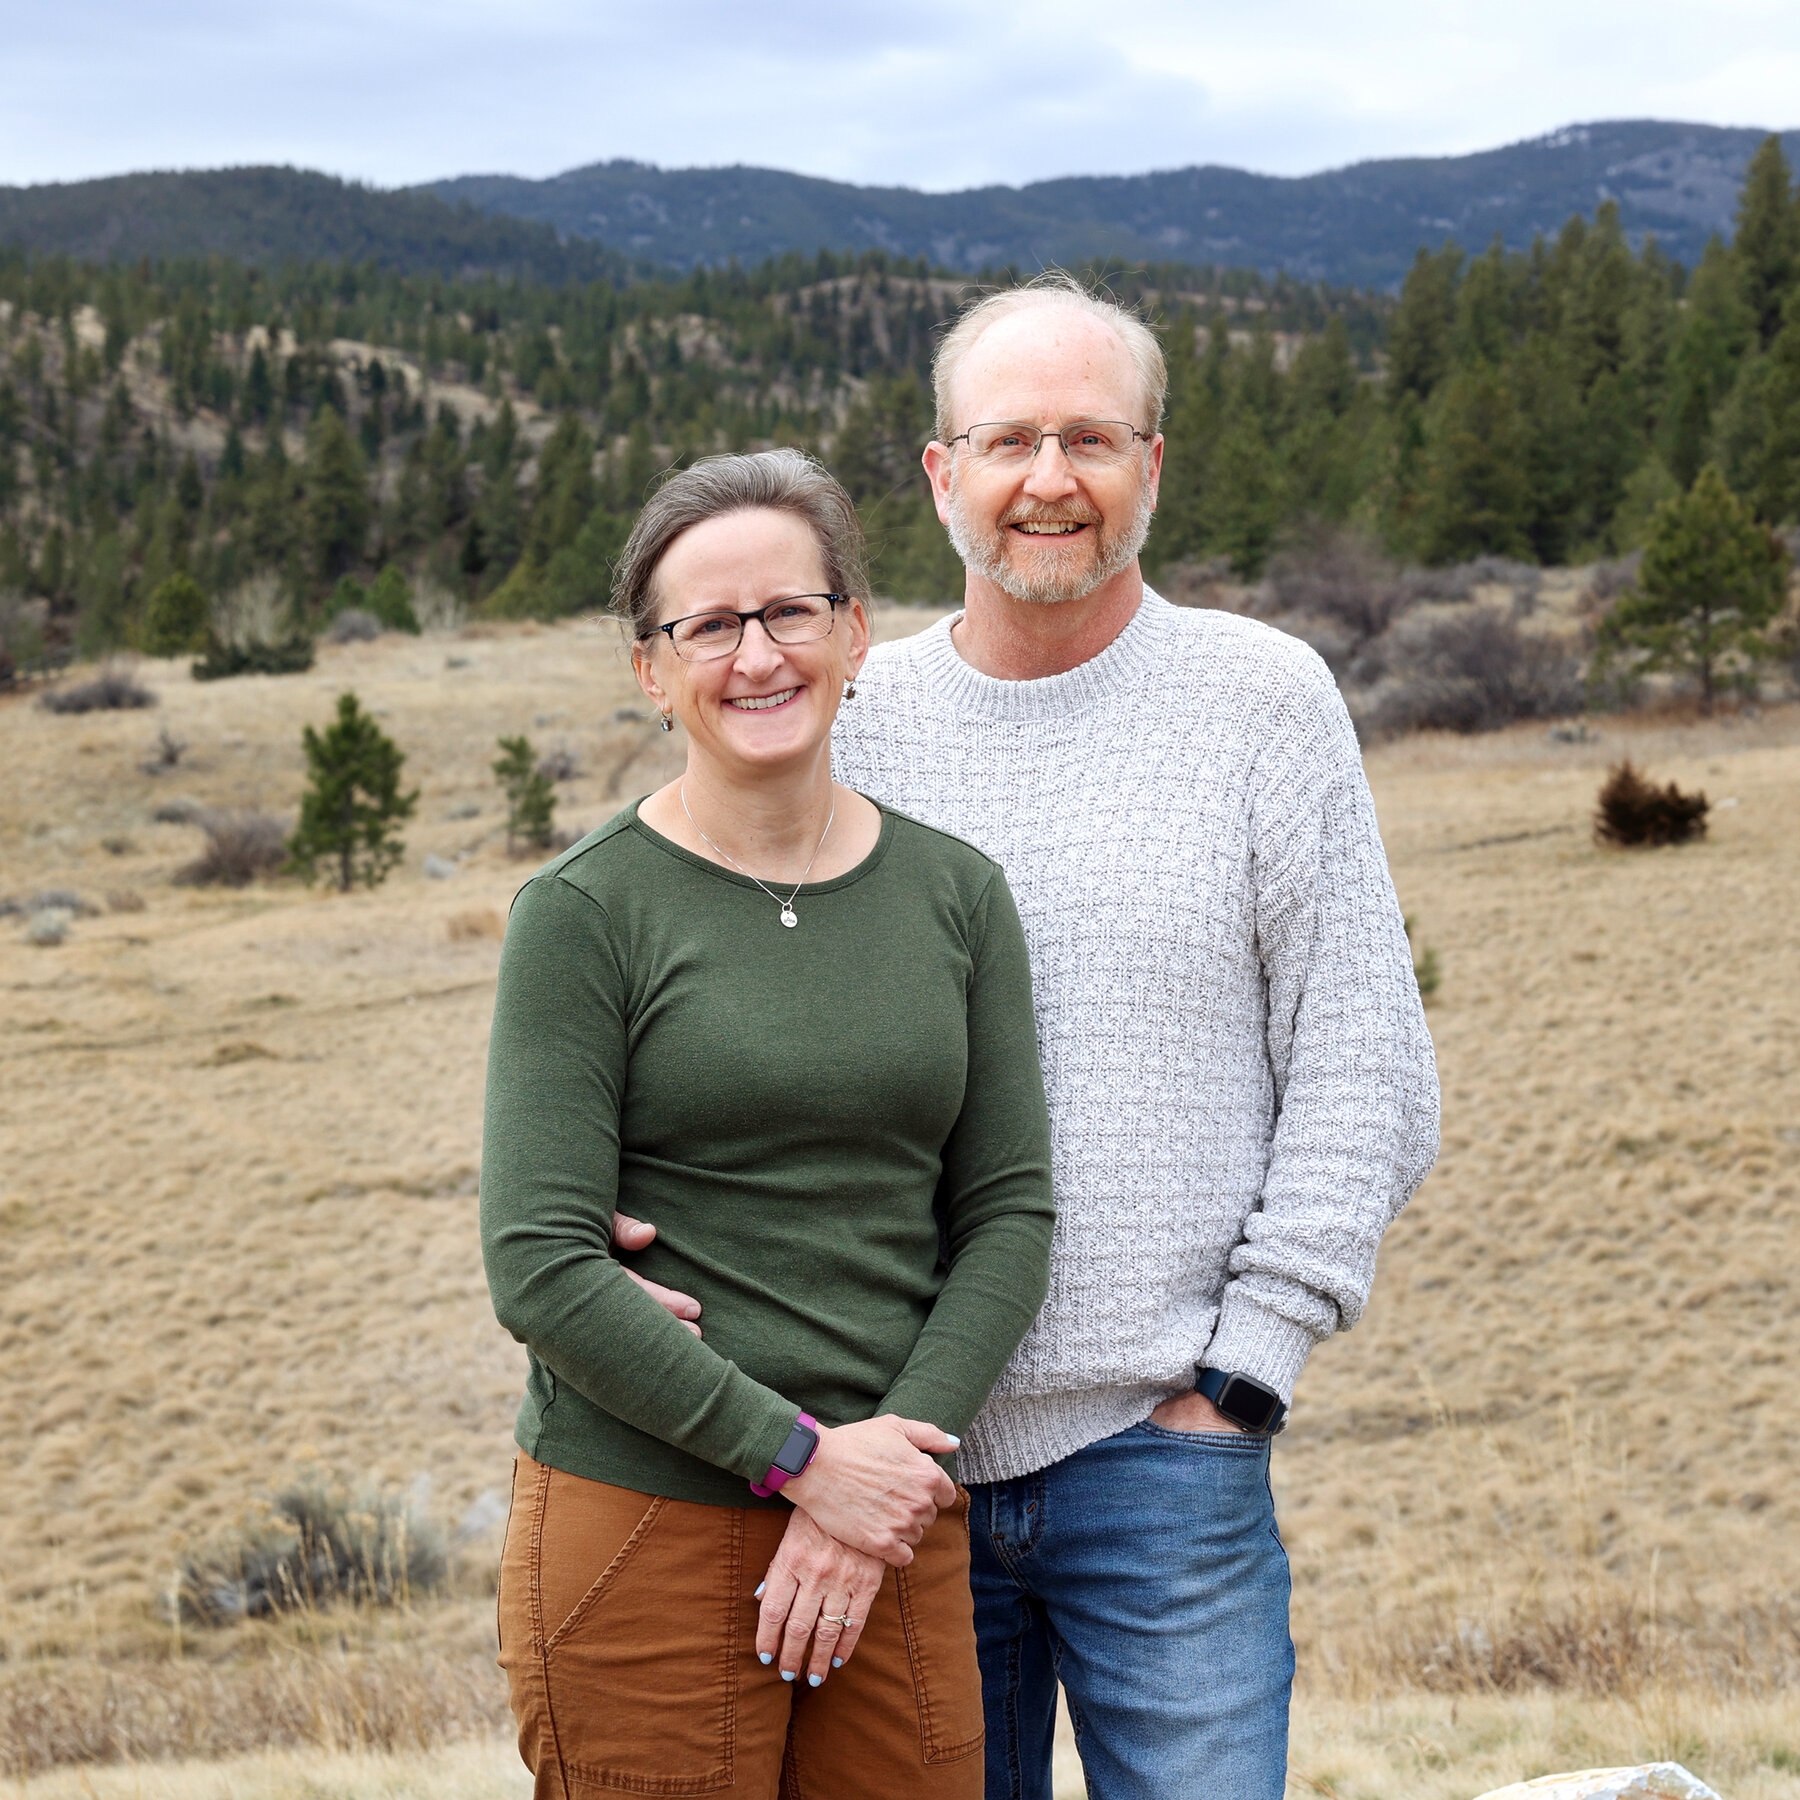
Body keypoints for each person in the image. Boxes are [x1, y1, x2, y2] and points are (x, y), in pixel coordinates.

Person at [824, 276, 1443, 1798]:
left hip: (1167, 1466)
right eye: (1010, 440)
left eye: (1092, 439)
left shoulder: (1261, 699)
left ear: (1151, 468)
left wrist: (1241, 1378)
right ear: (940, 473)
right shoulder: (850, 721)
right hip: (897, 1478)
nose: (1050, 481)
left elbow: (1369, 1068)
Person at [480, 450, 1056, 1800]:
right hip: (646, 1515)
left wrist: (876, 1482)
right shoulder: (584, 914)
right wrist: (796, 1462)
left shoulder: (957, 896)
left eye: (790, 612)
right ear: (651, 668)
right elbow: (542, 1264)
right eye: (710, 626)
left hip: (892, 1519)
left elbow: (1009, 1215)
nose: (757, 655)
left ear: (854, 631)